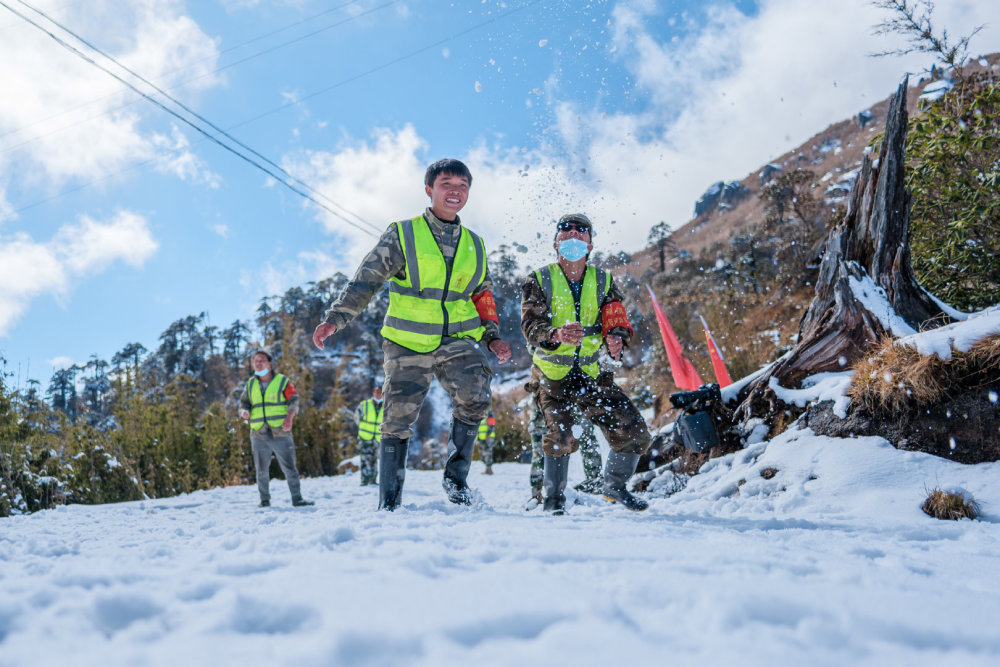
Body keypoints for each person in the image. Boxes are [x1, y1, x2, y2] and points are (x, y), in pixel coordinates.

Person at [312, 158, 512, 510]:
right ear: (429, 189)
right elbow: (367, 278)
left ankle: (455, 479)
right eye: (446, 183)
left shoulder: (475, 244)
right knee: (398, 418)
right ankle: (389, 502)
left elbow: (483, 294)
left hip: (458, 338)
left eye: (462, 185)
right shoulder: (404, 233)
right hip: (407, 340)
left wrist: (492, 336)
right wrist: (336, 318)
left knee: (475, 394)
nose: (455, 191)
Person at [521, 213, 651, 514]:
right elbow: (531, 327)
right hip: (552, 376)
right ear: (556, 243)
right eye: (566, 230)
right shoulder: (538, 279)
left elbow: (616, 318)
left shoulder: (604, 280)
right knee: (560, 437)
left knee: (635, 432)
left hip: (591, 374)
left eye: (582, 231)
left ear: (590, 245)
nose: (574, 234)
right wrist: (555, 333)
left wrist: (616, 338)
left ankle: (614, 487)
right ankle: (553, 503)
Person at [238, 349, 314, 507]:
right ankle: (264, 502)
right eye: (255, 361)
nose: (258, 363)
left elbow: (294, 400)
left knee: (290, 468)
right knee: (261, 471)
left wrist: (290, 417)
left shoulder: (282, 381)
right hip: (258, 433)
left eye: (262, 360)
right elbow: (244, 403)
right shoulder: (251, 383)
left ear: (270, 363)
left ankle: (297, 499)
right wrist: (244, 411)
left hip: (281, 431)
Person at [525, 397, 602, 509]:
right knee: (541, 449)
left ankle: (595, 482)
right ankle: (538, 493)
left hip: (565, 400)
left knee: (588, 439)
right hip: (547, 404)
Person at [355, 385, 384, 486]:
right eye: (376, 391)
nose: (378, 393)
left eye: (380, 392)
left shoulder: (386, 406)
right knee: (364, 459)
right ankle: (364, 481)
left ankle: (373, 480)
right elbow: (357, 418)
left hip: (377, 438)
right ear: (373, 393)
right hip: (365, 437)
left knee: (374, 459)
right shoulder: (364, 405)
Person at [477, 409, 497, 474]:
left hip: (488, 438)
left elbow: (492, 425)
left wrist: (488, 434)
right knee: (482, 454)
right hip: (480, 438)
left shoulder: (490, 414)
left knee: (488, 453)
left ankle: (489, 469)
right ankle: (487, 468)